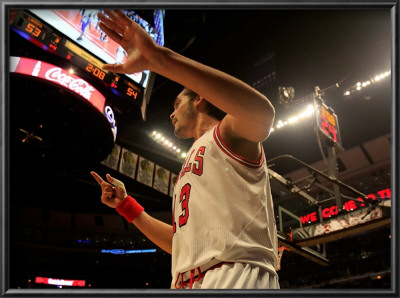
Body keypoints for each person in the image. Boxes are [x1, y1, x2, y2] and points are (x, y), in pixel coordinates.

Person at [91, 9, 279, 289]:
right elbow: (180, 243)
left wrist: (160, 59)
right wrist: (126, 206)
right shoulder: (190, 161)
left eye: (177, 103)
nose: (171, 114)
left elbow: (262, 114)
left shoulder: (226, 134)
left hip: (235, 273)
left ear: (199, 98)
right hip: (189, 280)